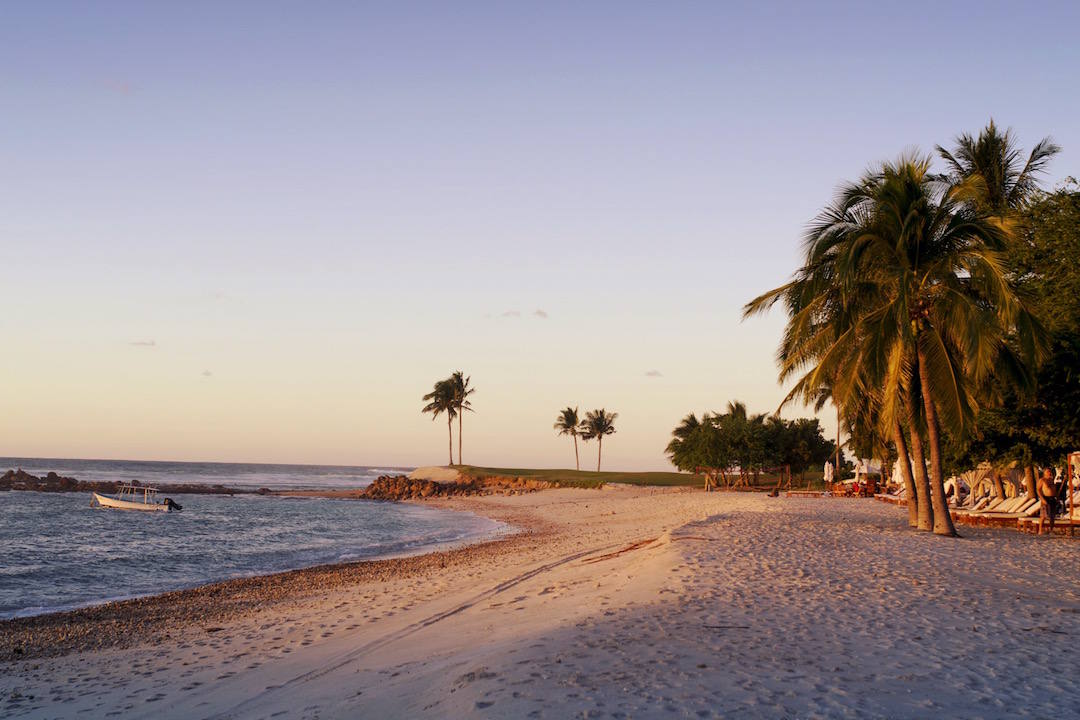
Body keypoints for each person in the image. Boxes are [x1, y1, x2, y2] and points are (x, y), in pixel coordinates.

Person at [1037, 468, 1059, 536]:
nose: (1049, 472)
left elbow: (1054, 490)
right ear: (1044, 473)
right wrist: (1042, 499)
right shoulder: (1042, 480)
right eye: (1048, 471)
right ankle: (1040, 530)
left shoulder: (1051, 480)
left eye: (1050, 471)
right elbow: (1038, 490)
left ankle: (1051, 530)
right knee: (1043, 516)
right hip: (1045, 498)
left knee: (1052, 516)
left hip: (1052, 498)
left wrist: (1056, 497)